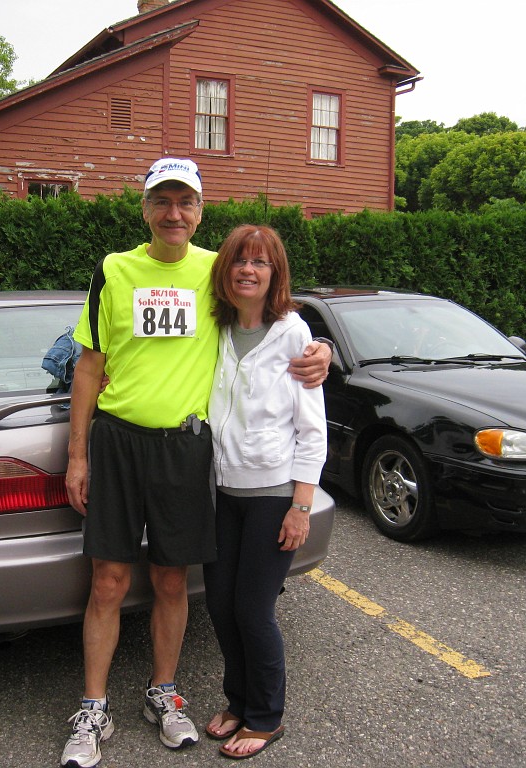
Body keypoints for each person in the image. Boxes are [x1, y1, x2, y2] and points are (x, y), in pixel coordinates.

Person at [61, 158, 331, 768]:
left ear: (201, 211)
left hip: (186, 451)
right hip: (119, 440)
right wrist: (77, 454)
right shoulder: (114, 270)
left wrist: (322, 350)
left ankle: (164, 694)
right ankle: (94, 708)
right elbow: (88, 365)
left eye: (186, 203)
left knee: (171, 580)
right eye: (162, 201)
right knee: (107, 581)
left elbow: (276, 316)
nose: (174, 213)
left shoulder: (216, 270)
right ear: (146, 209)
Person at [202, 225, 327, 760]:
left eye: (260, 263)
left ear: (275, 274)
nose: (248, 270)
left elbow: (313, 428)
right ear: (225, 270)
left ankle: (266, 716)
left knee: (253, 611)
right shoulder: (215, 328)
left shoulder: (294, 334)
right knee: (221, 607)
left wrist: (301, 506)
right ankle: (238, 701)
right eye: (239, 261)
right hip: (220, 490)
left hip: (274, 493)